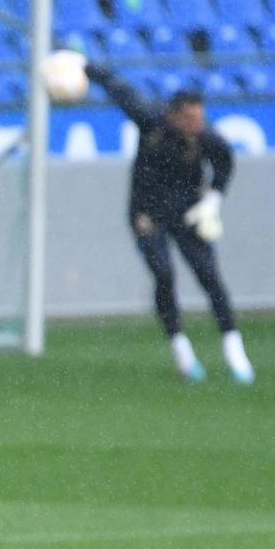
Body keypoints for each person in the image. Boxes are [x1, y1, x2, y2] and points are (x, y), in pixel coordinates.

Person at [84, 62, 253, 384]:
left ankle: (235, 350)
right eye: (189, 119)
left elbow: (225, 165)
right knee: (164, 274)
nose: (196, 125)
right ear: (173, 115)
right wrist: (89, 68)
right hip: (147, 214)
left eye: (199, 118)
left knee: (209, 277)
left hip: (188, 213)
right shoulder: (152, 124)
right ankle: (182, 352)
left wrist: (212, 201)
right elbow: (122, 92)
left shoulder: (208, 138)